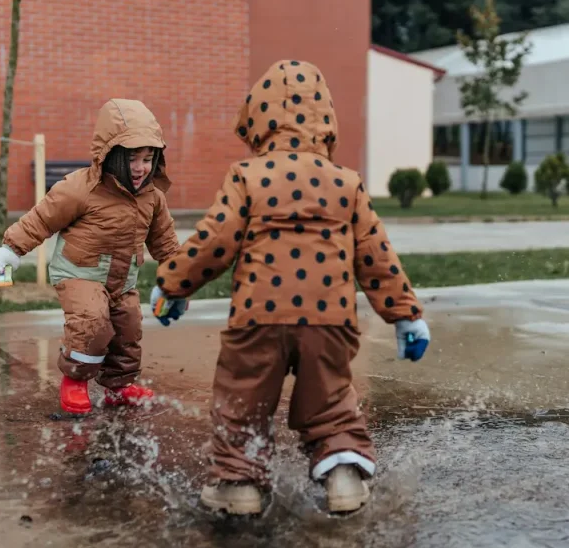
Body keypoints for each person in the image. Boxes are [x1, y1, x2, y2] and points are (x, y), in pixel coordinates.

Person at [151, 60, 430, 515]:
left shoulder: (249, 176)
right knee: (332, 398)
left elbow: (215, 239)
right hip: (329, 318)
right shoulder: (347, 183)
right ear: (326, 120)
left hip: (258, 316)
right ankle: (343, 480)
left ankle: (239, 486)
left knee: (242, 396)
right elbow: (376, 254)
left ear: (259, 119)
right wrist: (405, 315)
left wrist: (174, 284)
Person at [0, 99, 184, 415]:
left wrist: (179, 279)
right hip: (78, 272)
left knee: (128, 328)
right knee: (92, 321)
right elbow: (42, 218)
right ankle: (75, 381)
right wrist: (12, 248)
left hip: (122, 279)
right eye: (132, 159)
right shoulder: (81, 188)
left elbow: (166, 242)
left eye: (148, 159)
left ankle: (118, 387)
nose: (141, 168)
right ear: (110, 156)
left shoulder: (152, 197)